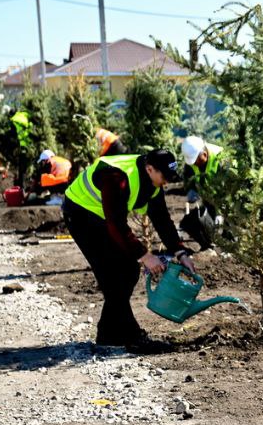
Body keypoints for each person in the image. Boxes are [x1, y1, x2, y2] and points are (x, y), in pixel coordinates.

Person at [62, 148, 195, 353]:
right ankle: (131, 337)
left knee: (124, 273)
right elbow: (116, 224)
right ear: (150, 169)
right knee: (117, 274)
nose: (166, 182)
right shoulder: (118, 178)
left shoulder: (153, 182)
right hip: (81, 215)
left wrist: (180, 252)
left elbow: (161, 218)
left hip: (102, 218)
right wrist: (145, 256)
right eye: (164, 177)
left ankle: (108, 335)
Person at [178, 134, 226, 250]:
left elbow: (231, 187)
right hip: (208, 195)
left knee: (227, 224)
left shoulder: (222, 159)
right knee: (191, 222)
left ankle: (229, 247)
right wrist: (190, 190)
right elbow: (187, 176)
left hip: (225, 198)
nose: (194, 164)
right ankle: (208, 246)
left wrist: (220, 211)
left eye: (196, 161)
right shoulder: (192, 160)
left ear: (204, 154)